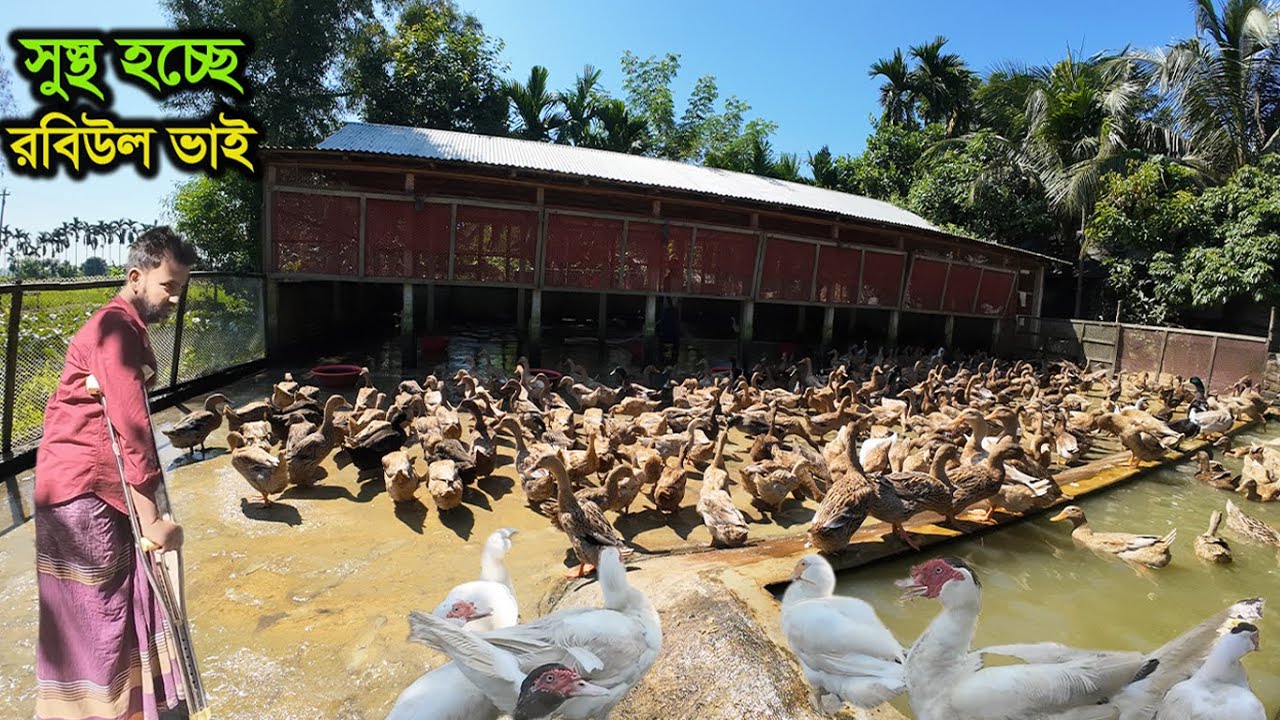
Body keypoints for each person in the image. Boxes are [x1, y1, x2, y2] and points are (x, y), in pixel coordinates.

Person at [33, 226, 197, 720]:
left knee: (100, 607)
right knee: (99, 611)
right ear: (136, 277)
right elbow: (133, 428)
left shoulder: (123, 325)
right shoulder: (116, 329)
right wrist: (152, 522)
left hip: (81, 484)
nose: (173, 299)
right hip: (81, 489)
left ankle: (118, 707)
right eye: (168, 286)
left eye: (179, 289)